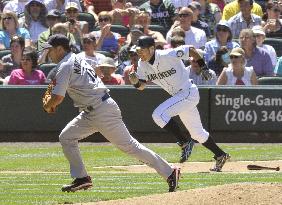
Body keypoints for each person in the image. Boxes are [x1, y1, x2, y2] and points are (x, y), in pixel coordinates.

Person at [42, 34, 180, 193]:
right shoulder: (75, 58)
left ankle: (169, 172)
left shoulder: (65, 64)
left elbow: (57, 98)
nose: (49, 53)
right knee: (66, 137)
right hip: (91, 111)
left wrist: (48, 106)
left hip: (101, 110)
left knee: (130, 146)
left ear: (60, 49)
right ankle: (82, 178)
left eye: (51, 50)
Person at [129, 36, 230, 170]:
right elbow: (141, 87)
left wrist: (204, 68)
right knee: (197, 133)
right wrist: (135, 81)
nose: (140, 53)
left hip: (188, 92)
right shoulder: (142, 64)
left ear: (152, 49)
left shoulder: (167, 54)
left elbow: (192, 50)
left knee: (158, 115)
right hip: (179, 98)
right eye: (138, 50)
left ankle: (184, 142)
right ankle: (220, 154)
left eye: (142, 50)